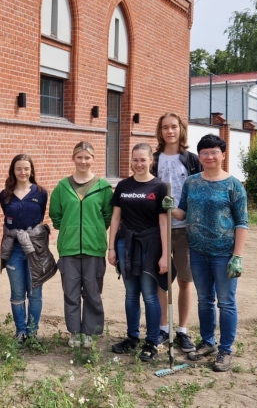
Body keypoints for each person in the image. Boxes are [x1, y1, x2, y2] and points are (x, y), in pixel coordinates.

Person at [163, 134, 248, 372]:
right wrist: (171, 208)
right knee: (205, 300)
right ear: (199, 156)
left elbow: (242, 223)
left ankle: (225, 350)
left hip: (224, 255)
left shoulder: (234, 185)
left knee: (227, 303)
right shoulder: (192, 182)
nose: (209, 156)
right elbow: (184, 213)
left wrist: (237, 255)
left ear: (222, 154)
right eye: (204, 153)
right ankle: (208, 343)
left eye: (214, 152)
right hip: (197, 252)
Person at [108, 143, 170, 362]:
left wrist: (165, 254)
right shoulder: (123, 186)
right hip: (127, 243)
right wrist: (112, 247)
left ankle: (152, 341)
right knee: (131, 293)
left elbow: (164, 224)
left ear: (150, 160)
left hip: (151, 246)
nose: (139, 164)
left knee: (150, 295)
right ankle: (132, 337)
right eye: (135, 159)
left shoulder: (160, 187)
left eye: (143, 159)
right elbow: (116, 218)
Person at [49, 141, 113, 348]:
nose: (83, 161)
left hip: (94, 248)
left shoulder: (103, 188)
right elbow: (56, 216)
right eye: (79, 157)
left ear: (93, 159)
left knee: (93, 293)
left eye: (87, 157)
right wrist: (71, 230)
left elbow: (108, 216)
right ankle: (75, 332)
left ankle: (90, 333)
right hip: (68, 248)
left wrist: (92, 231)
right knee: (71, 292)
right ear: (73, 159)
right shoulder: (62, 187)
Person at [150, 112, 202, 353]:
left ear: (181, 129)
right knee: (162, 279)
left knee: (184, 280)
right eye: (165, 128)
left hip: (184, 230)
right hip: (158, 229)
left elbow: (199, 193)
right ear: (160, 132)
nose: (169, 131)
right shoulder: (154, 160)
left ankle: (182, 330)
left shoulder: (191, 160)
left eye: (174, 127)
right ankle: (163, 328)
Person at [0, 154, 54, 344]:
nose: (23, 172)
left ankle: (32, 331)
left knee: (35, 292)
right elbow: (8, 218)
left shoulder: (40, 193)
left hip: (35, 250)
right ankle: (20, 331)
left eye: (26, 168)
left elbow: (39, 218)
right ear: (13, 170)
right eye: (19, 168)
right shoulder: (5, 194)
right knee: (17, 292)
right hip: (13, 249)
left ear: (31, 170)